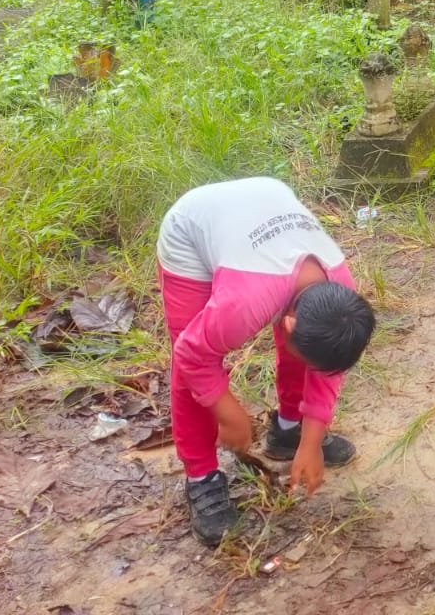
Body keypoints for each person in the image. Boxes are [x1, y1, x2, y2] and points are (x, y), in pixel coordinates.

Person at [157, 177, 376, 545]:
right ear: (286, 322)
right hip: (191, 227)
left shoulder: (341, 296)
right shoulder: (242, 305)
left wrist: (310, 442)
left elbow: (326, 371)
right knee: (191, 370)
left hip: (263, 210)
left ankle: (287, 432)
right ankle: (201, 476)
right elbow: (192, 355)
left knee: (307, 351)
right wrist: (226, 410)